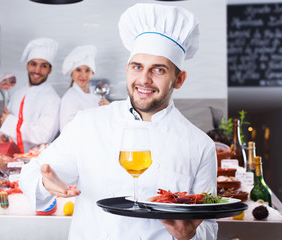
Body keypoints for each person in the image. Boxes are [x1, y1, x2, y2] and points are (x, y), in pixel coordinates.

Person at [20, 3, 218, 240]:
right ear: (127, 69)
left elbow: (208, 227)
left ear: (179, 79)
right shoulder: (88, 124)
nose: (143, 79)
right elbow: (31, 176)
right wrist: (44, 184)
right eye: (137, 67)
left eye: (158, 70)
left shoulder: (199, 145)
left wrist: (188, 236)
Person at [0, 38, 61, 153]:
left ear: (50, 70)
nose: (37, 70)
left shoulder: (52, 99)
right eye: (33, 64)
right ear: (27, 66)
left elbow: (44, 135)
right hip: (11, 160)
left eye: (43, 66)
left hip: (36, 162)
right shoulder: (17, 94)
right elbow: (5, 126)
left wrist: (10, 123)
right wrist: (2, 137)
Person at [59, 45, 110, 131]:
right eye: (78, 70)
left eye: (87, 70)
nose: (83, 75)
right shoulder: (69, 98)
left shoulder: (96, 93)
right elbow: (67, 130)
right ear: (72, 73)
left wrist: (109, 108)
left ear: (92, 72)